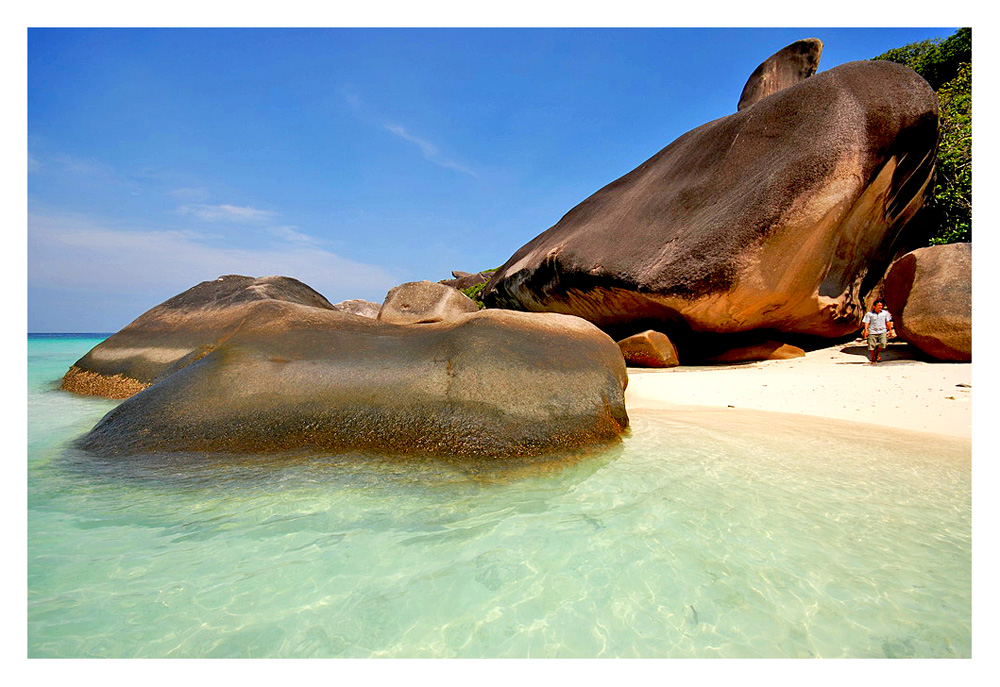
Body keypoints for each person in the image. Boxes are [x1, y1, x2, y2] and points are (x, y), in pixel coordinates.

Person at [861, 298, 895, 365]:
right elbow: (867, 322)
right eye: (879, 305)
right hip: (872, 331)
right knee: (871, 345)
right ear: (874, 306)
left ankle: (877, 352)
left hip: (882, 331)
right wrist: (866, 330)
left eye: (881, 305)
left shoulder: (885, 313)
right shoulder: (869, 314)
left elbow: (888, 322)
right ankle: (873, 358)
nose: (880, 307)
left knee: (883, 344)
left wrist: (890, 330)